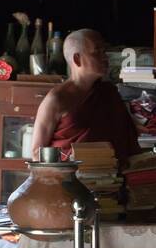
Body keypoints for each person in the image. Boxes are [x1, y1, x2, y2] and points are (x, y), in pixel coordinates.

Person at [30, 29, 141, 164]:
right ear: (77, 59)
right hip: (70, 179)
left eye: (104, 52)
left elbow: (127, 141)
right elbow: (37, 153)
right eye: (97, 52)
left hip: (110, 179)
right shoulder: (57, 99)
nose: (105, 57)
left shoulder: (109, 93)